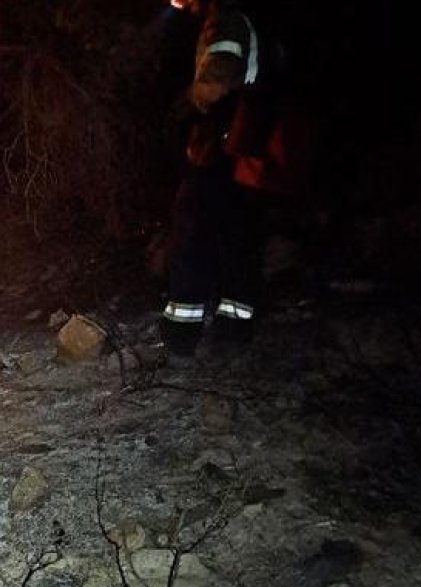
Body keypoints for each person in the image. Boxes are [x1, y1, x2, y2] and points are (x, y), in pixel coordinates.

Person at [157, 0, 281, 362]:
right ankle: (234, 329)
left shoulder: (225, 20)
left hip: (222, 146)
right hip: (246, 151)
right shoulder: (247, 16)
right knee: (239, 237)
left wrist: (183, 106)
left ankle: (182, 333)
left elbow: (216, 80)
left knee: (193, 230)